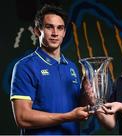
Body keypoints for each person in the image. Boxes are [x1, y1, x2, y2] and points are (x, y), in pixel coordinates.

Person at [10, 4, 90, 135]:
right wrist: (68, 117)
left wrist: (87, 94)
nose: (55, 33)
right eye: (49, 27)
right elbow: (22, 117)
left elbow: (77, 110)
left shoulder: (72, 67)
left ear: (64, 32)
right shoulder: (25, 66)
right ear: (37, 31)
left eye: (60, 28)